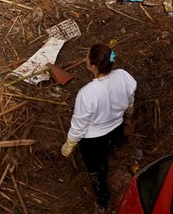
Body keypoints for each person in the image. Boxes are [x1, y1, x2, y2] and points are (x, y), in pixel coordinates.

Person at [53, 43, 135, 209]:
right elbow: (130, 100)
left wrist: (69, 144)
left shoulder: (87, 93)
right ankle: (107, 160)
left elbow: (79, 125)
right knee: (108, 150)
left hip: (93, 140)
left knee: (95, 170)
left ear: (93, 66)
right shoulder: (123, 75)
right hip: (116, 129)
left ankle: (103, 200)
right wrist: (129, 117)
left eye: (87, 56)